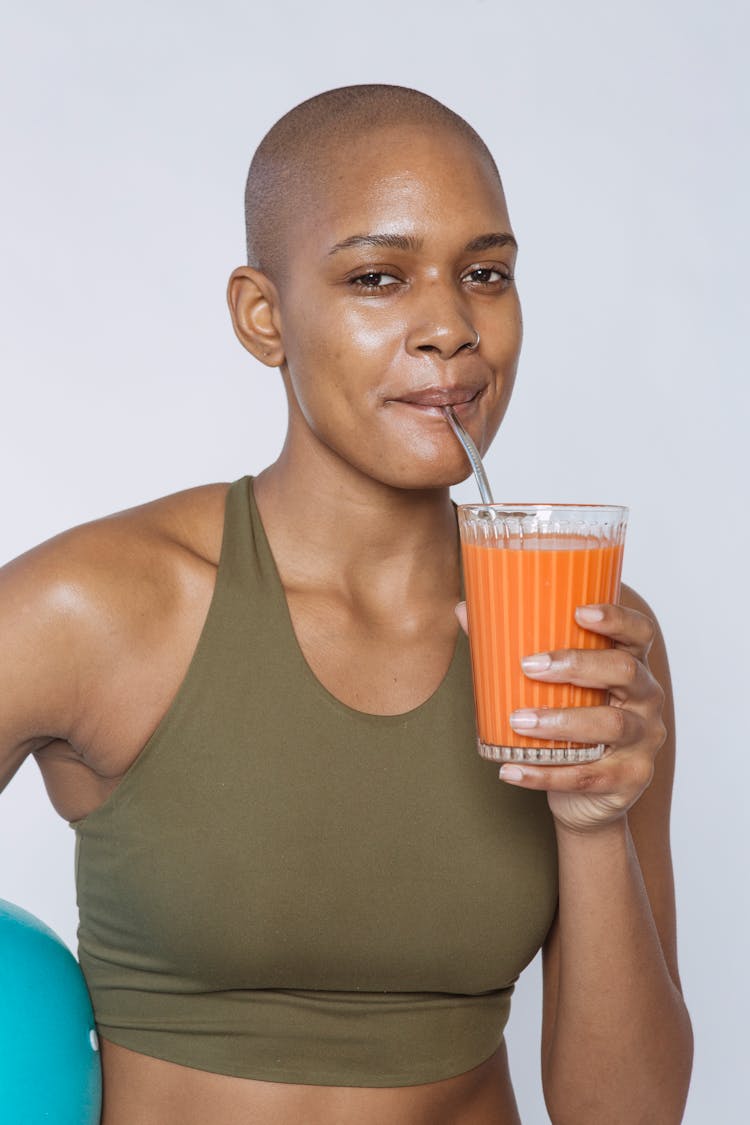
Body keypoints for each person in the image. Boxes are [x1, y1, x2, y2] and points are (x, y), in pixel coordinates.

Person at [0, 85, 692, 1124]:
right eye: (379, 277)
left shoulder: (589, 637)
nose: (451, 328)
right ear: (263, 316)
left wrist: (595, 823)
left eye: (485, 275)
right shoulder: (94, 607)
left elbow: (626, 1115)